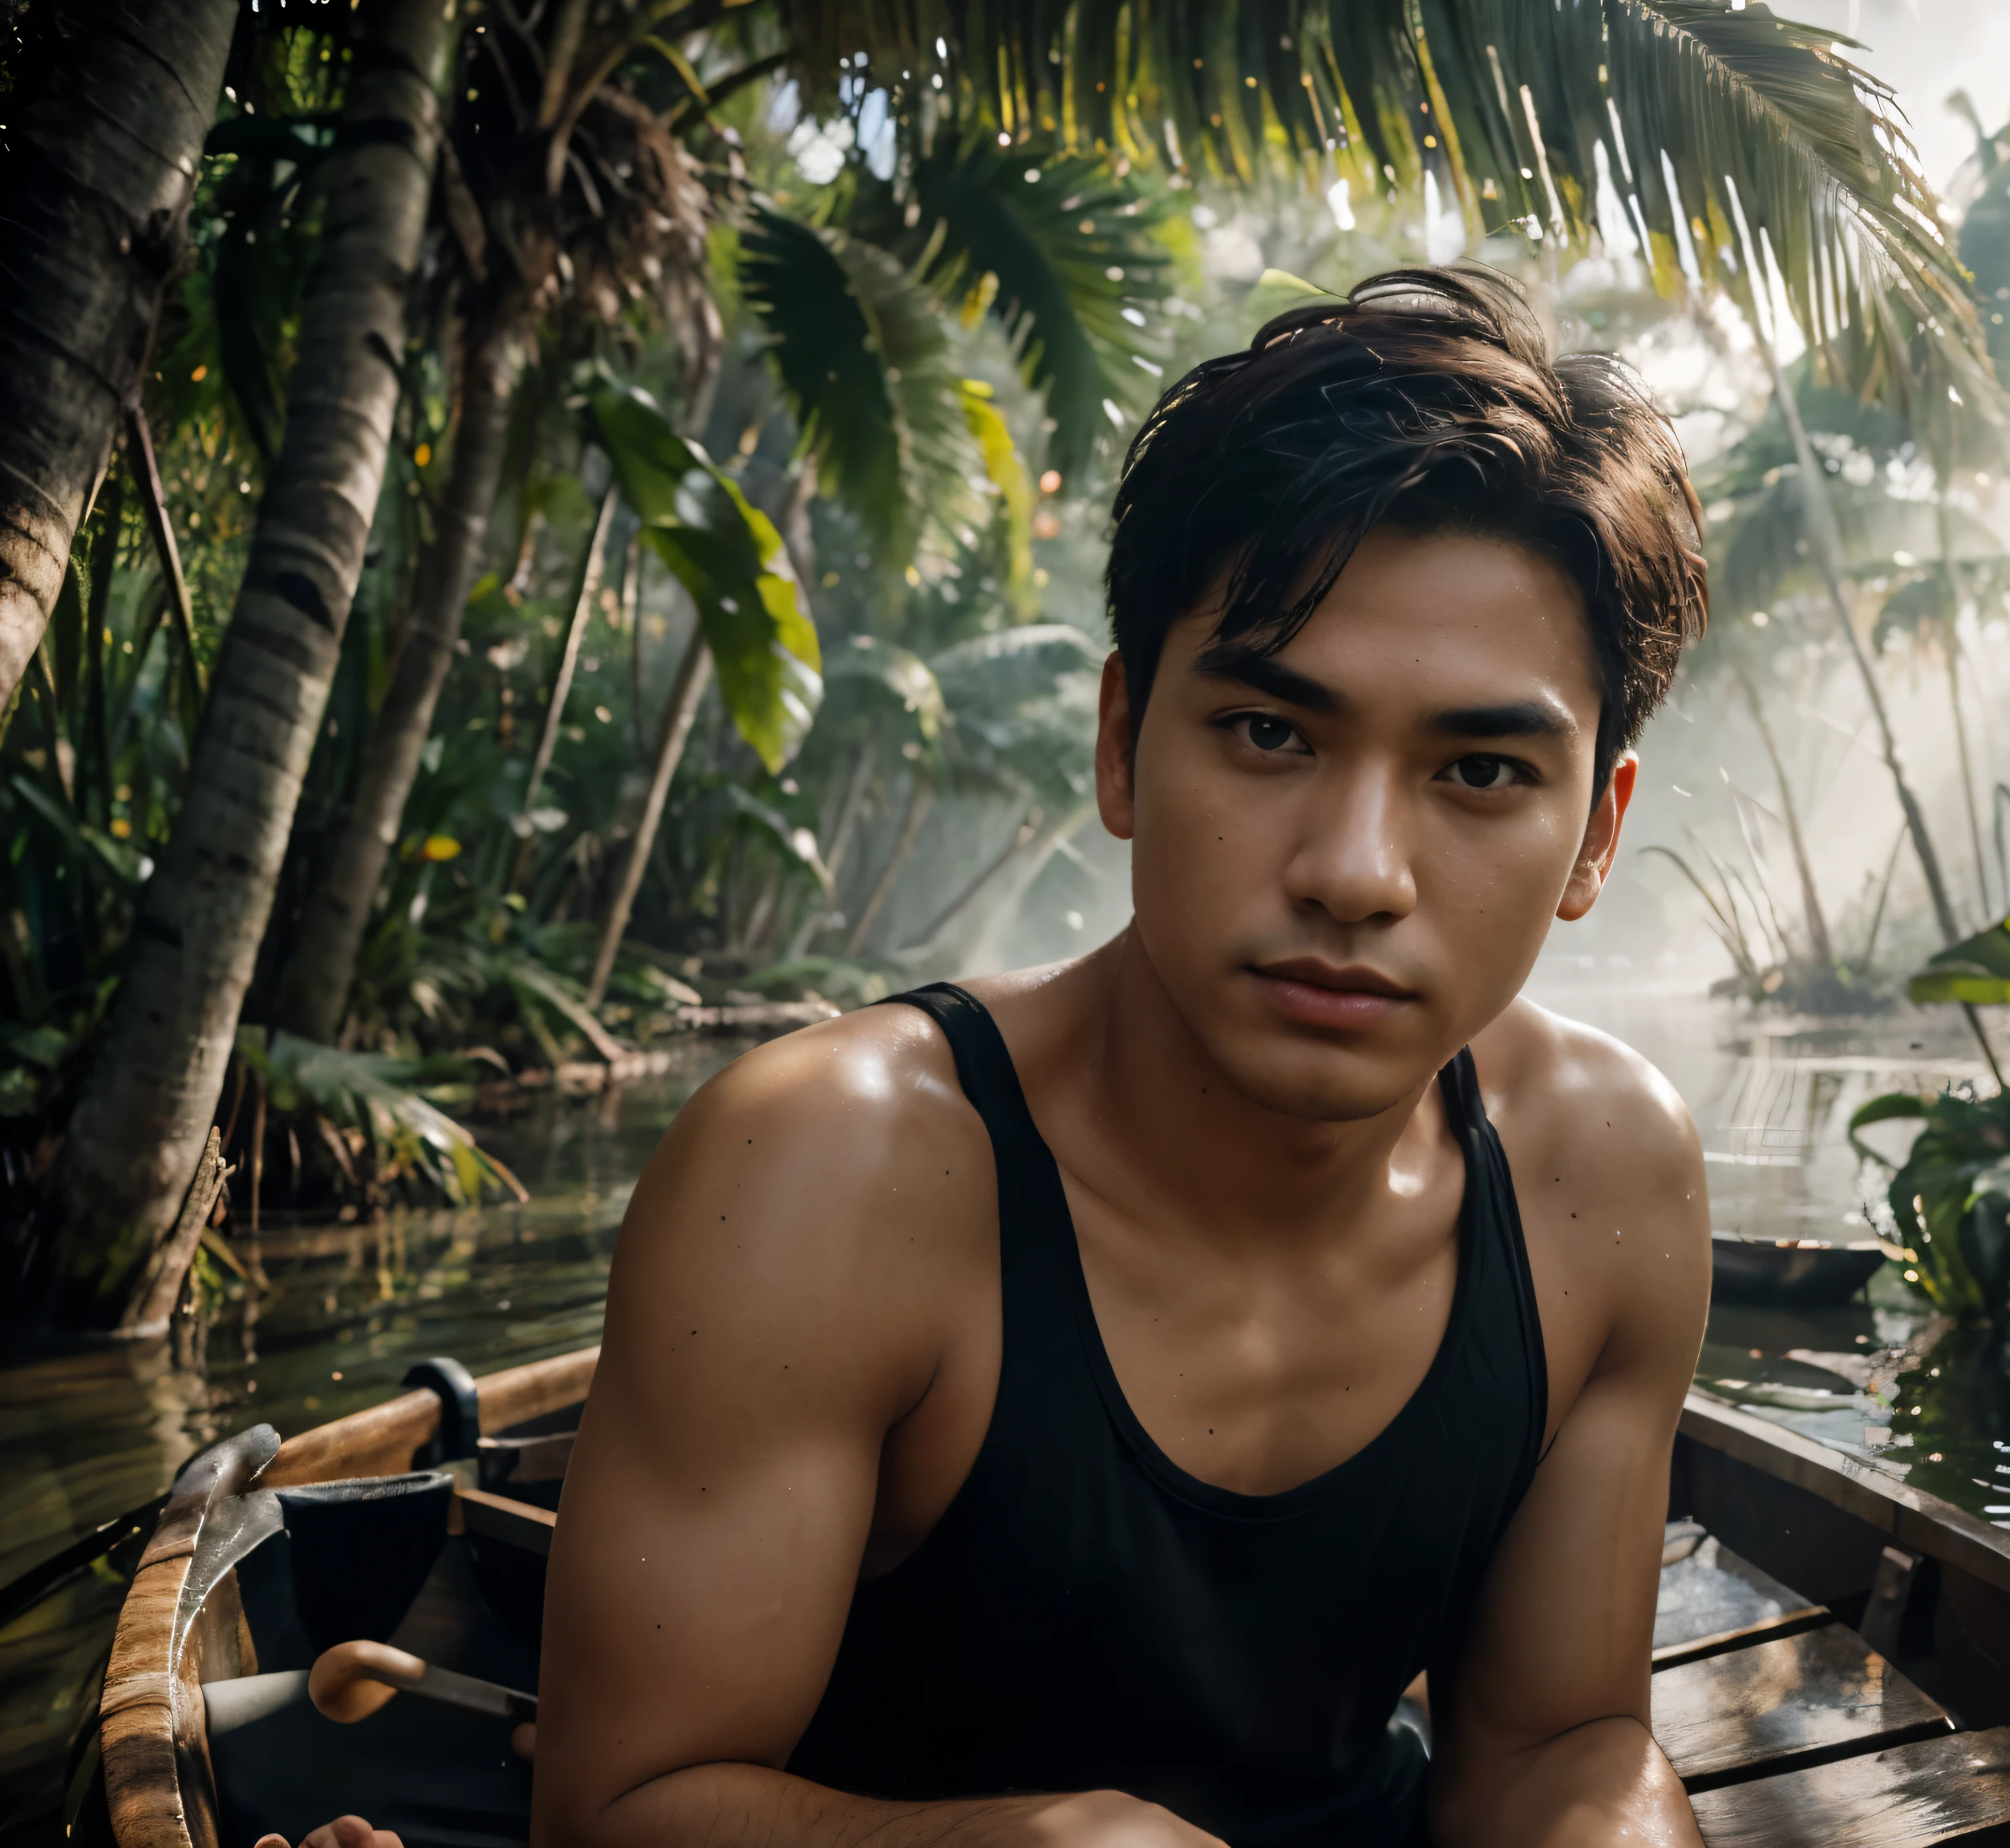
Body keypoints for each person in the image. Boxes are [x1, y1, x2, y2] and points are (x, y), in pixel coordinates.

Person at [277, 262, 1716, 1848]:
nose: (1358, 871)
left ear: (1595, 834)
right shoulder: (829, 1174)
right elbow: (620, 1812)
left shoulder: (1603, 1178)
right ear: (1120, 746)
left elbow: (1555, 1740)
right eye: (1270, 734)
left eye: (1484, 771)